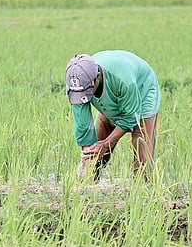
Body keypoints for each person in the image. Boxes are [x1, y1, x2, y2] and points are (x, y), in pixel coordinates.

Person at [65, 50, 161, 181]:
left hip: (141, 89)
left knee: (141, 147)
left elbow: (130, 118)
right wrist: (88, 154)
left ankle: (144, 188)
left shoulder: (124, 79)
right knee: (95, 153)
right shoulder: (76, 84)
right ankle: (89, 186)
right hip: (114, 92)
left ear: (97, 77)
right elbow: (83, 125)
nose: (84, 96)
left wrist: (106, 144)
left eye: (88, 91)